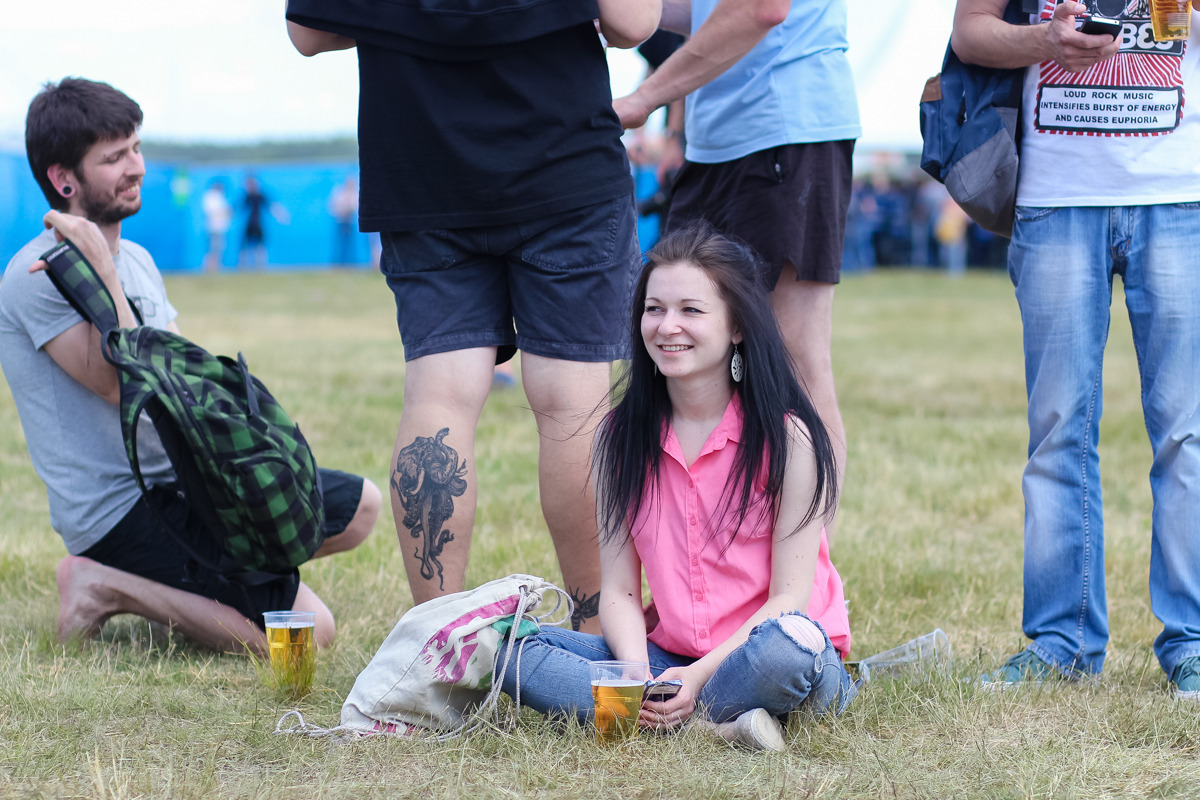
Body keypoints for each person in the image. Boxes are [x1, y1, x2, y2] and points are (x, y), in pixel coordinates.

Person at [285, 0, 661, 632]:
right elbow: (633, 23)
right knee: (573, 404)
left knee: (438, 399)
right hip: (561, 163)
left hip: (421, 170)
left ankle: (435, 640)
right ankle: (600, 638)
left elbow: (308, 30)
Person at [0, 78, 382, 655]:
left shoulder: (142, 260)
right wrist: (103, 272)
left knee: (360, 509)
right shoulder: (37, 276)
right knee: (306, 638)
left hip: (187, 477)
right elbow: (127, 389)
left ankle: (205, 587)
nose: (137, 168)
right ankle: (102, 583)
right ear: (64, 179)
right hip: (120, 508)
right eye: (114, 158)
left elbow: (186, 380)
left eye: (136, 148)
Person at [496, 223, 855, 751]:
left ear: (736, 325)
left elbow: (788, 600)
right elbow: (617, 590)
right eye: (654, 309)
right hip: (669, 658)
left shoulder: (787, 438)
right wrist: (638, 675)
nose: (667, 327)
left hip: (771, 652)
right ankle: (713, 729)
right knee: (506, 647)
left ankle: (671, 717)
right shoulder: (620, 438)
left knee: (788, 651)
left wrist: (697, 679)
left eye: (691, 310)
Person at [951, 1, 1200, 696]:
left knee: (1188, 430)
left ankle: (1195, 642)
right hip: (1057, 196)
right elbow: (969, 30)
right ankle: (1063, 643)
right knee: (1059, 430)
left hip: (1182, 191)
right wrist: (1043, 40)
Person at [612, 0, 862, 542]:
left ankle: (807, 579)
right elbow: (700, 9)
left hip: (788, 129)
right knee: (685, 345)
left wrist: (644, 97)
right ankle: (717, 556)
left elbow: (759, 9)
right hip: (716, 143)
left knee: (793, 359)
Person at [201, 179, 232, 273]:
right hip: (213, 227)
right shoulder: (211, 197)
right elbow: (212, 211)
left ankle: (215, 267)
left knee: (218, 247)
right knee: (213, 247)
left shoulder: (219, 197)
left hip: (219, 227)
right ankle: (209, 267)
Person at [327, 175, 359, 266]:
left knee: (350, 244)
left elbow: (355, 207)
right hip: (341, 222)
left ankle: (351, 263)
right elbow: (332, 206)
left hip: (350, 222)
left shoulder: (354, 193)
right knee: (340, 244)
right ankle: (338, 263)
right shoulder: (339, 192)